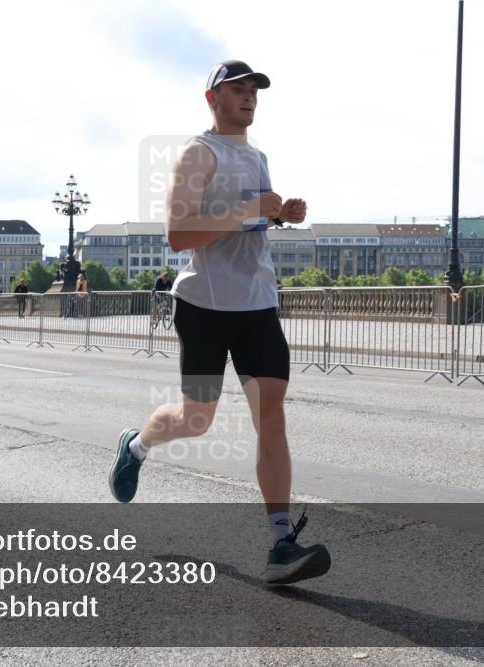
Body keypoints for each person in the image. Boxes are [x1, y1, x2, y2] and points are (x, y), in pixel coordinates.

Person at [109, 60, 329, 585]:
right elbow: (179, 234)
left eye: (254, 89)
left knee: (270, 414)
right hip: (205, 308)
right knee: (197, 418)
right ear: (212, 98)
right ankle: (136, 445)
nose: (249, 96)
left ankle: (280, 544)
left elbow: (249, 219)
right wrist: (252, 206)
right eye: (238, 88)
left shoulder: (257, 155)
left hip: (257, 305)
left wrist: (281, 214)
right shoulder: (197, 152)